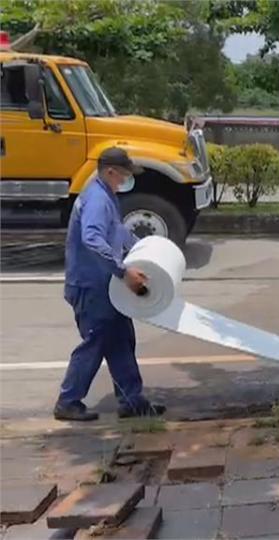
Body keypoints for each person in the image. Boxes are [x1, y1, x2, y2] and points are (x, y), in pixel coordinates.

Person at [54, 147, 166, 422]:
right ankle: (68, 401)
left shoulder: (106, 196)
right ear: (110, 171)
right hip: (91, 286)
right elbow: (92, 239)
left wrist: (147, 249)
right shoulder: (96, 200)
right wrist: (123, 270)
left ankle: (131, 400)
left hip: (105, 285)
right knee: (96, 341)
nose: (127, 179)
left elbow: (118, 232)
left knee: (121, 340)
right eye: (125, 174)